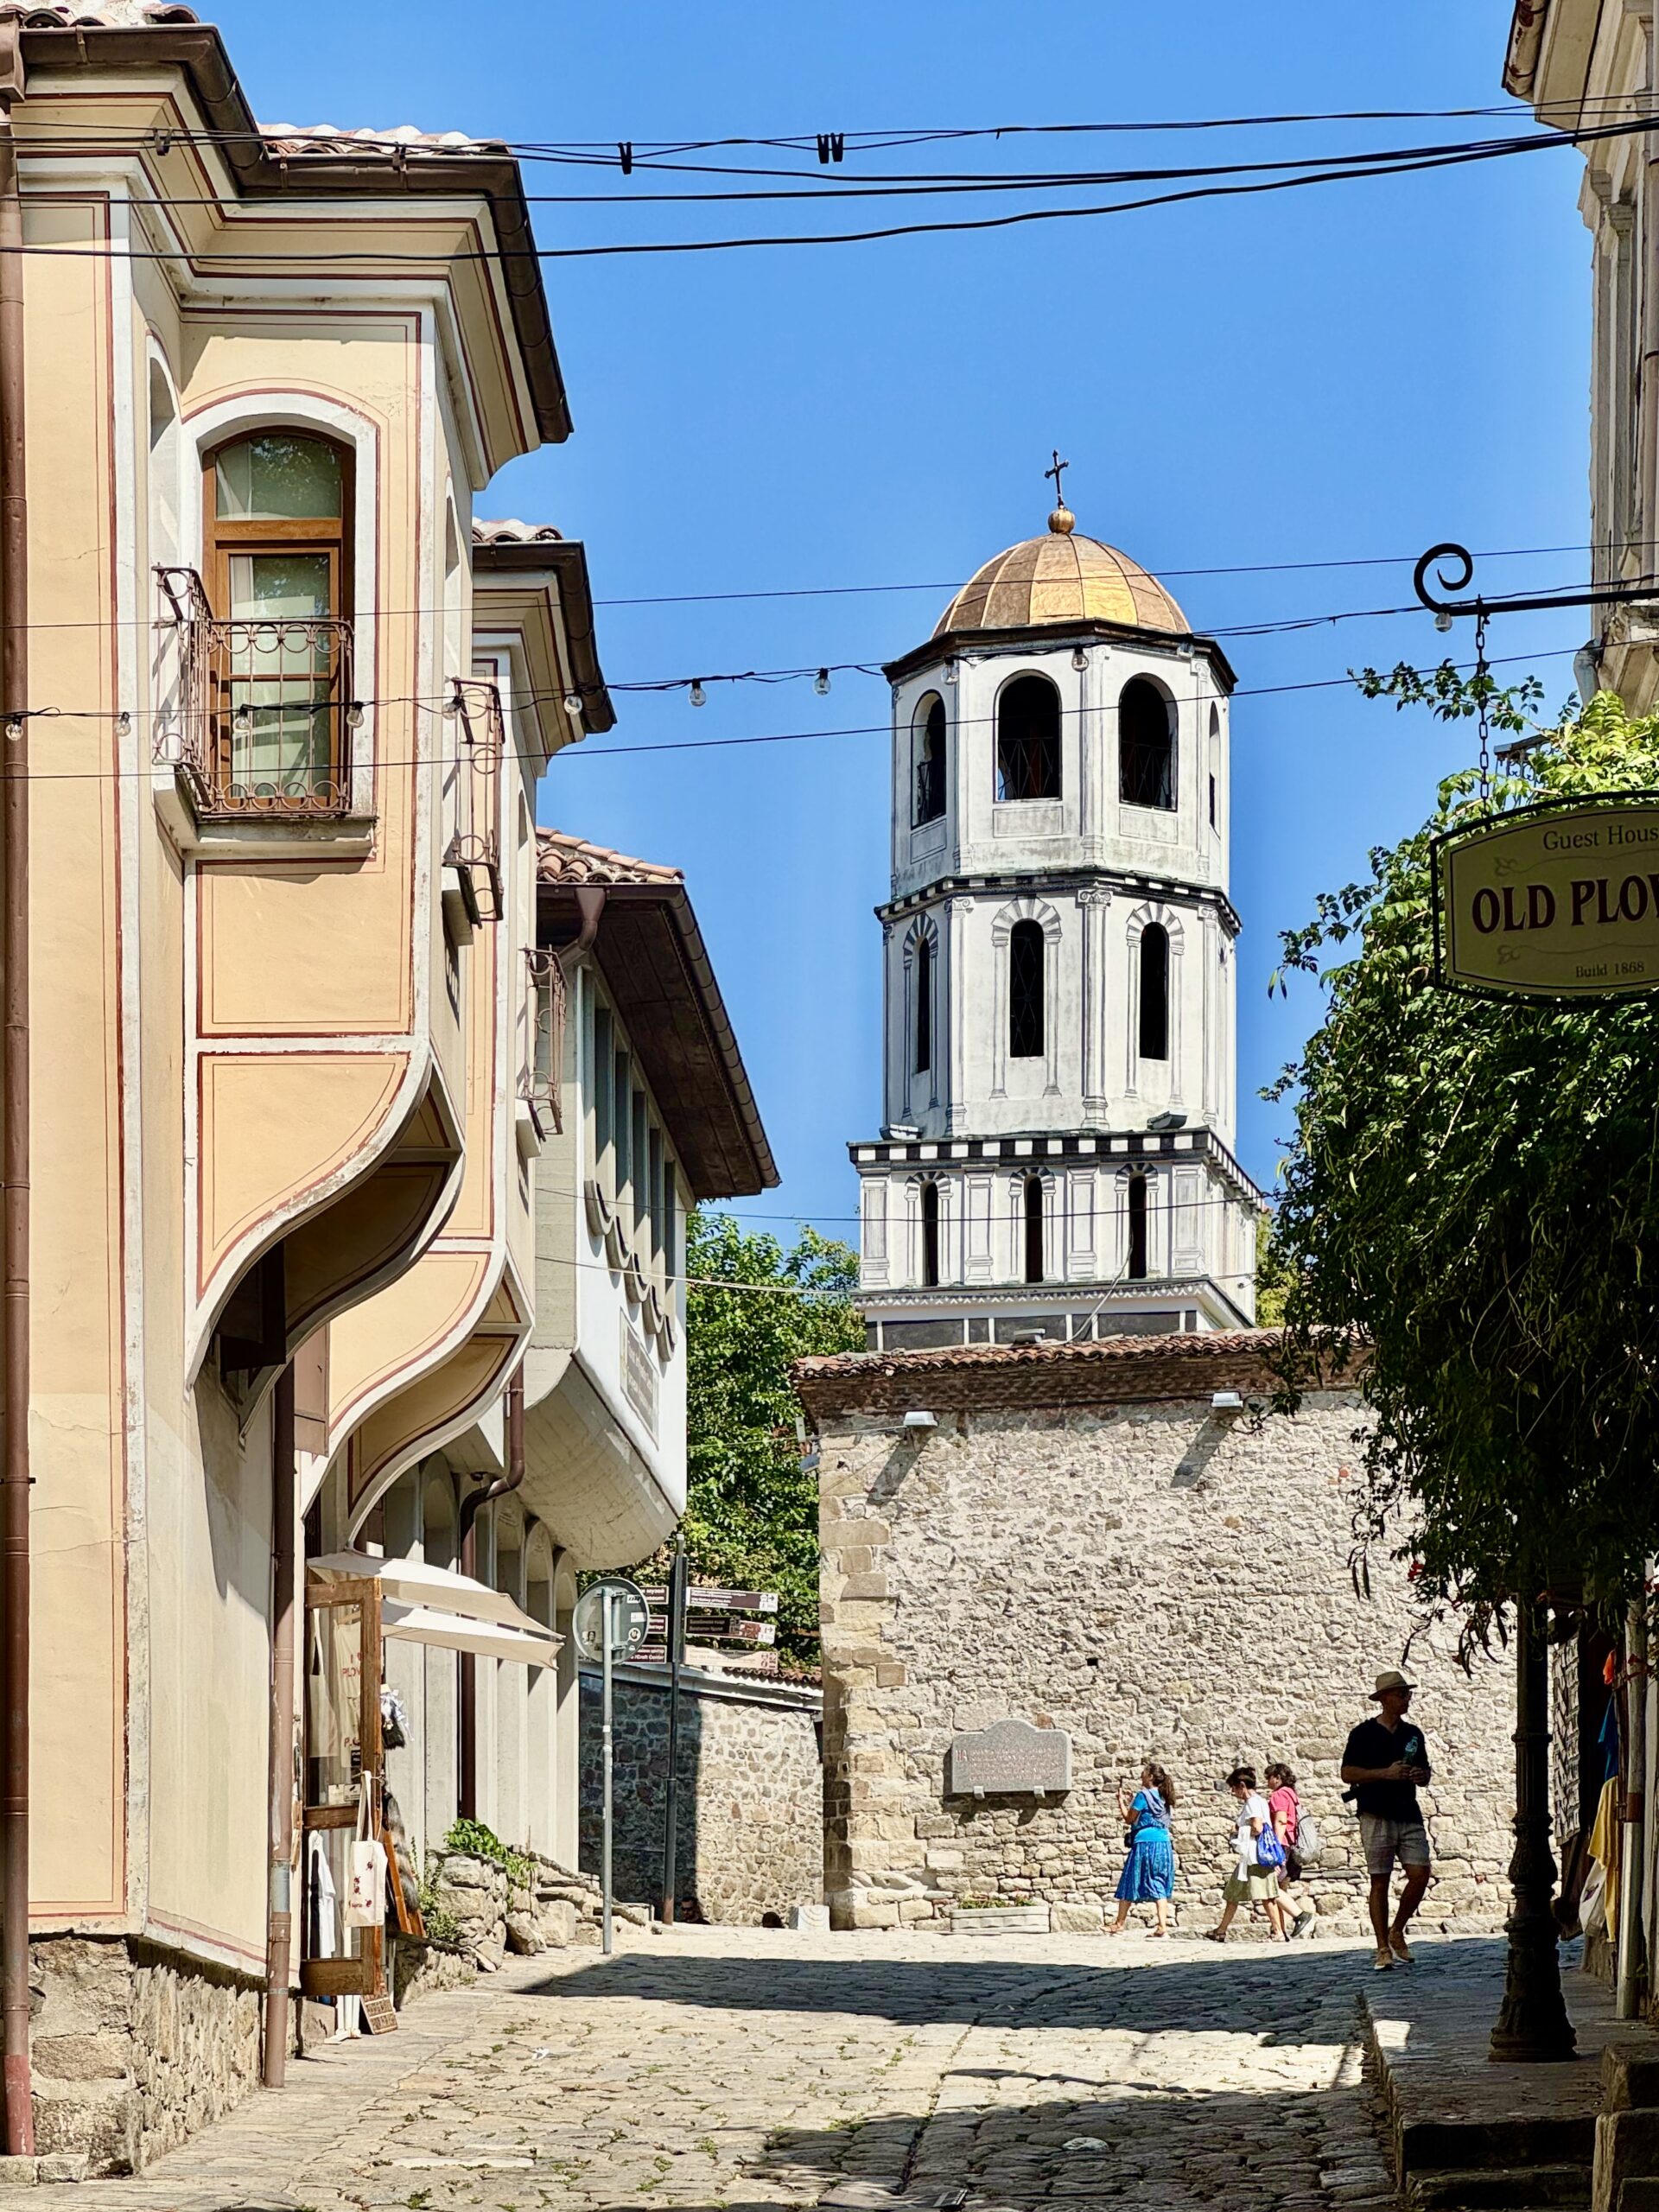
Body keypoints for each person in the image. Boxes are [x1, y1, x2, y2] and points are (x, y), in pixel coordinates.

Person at [1341, 1669, 1433, 1972]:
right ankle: (1382, 1947)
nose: (1407, 1699)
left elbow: (1425, 1772)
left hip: (1408, 1811)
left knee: (1420, 1873)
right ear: (1385, 1699)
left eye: (1408, 1694)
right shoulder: (1363, 1734)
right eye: (1402, 1694)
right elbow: (1347, 1773)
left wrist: (1420, 1775)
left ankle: (1398, 1929)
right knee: (1379, 1880)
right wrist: (1385, 1773)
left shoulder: (1413, 1734)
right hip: (1375, 1811)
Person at [1205, 1764, 1288, 1942]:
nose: (1233, 1792)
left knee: (1266, 1895)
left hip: (1255, 1857)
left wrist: (1238, 1830)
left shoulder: (1252, 1803)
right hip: (1249, 1859)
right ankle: (1221, 1930)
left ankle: (1278, 1932)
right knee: (1233, 1893)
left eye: (1234, 1788)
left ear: (1242, 1786)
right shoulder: (1259, 1801)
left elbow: (1257, 1828)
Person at [1109, 1762, 1177, 1936]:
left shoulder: (1142, 1796)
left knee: (1130, 1879)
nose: (1141, 1775)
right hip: (1163, 1844)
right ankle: (1162, 1926)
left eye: (1144, 1773)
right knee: (1158, 1882)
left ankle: (1119, 1923)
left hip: (1144, 1843)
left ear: (1150, 1777)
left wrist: (1121, 1801)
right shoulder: (1165, 1797)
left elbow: (1129, 1819)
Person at [1266, 1761, 1316, 1940]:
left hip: (1282, 1845)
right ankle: (1280, 1932)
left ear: (1278, 1778)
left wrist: (1275, 1849)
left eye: (1269, 1777)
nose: (1267, 1781)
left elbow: (1281, 1821)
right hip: (1291, 1845)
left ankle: (1299, 1916)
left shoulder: (1279, 1795)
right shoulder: (1292, 1795)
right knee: (1280, 1888)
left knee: (1269, 1887)